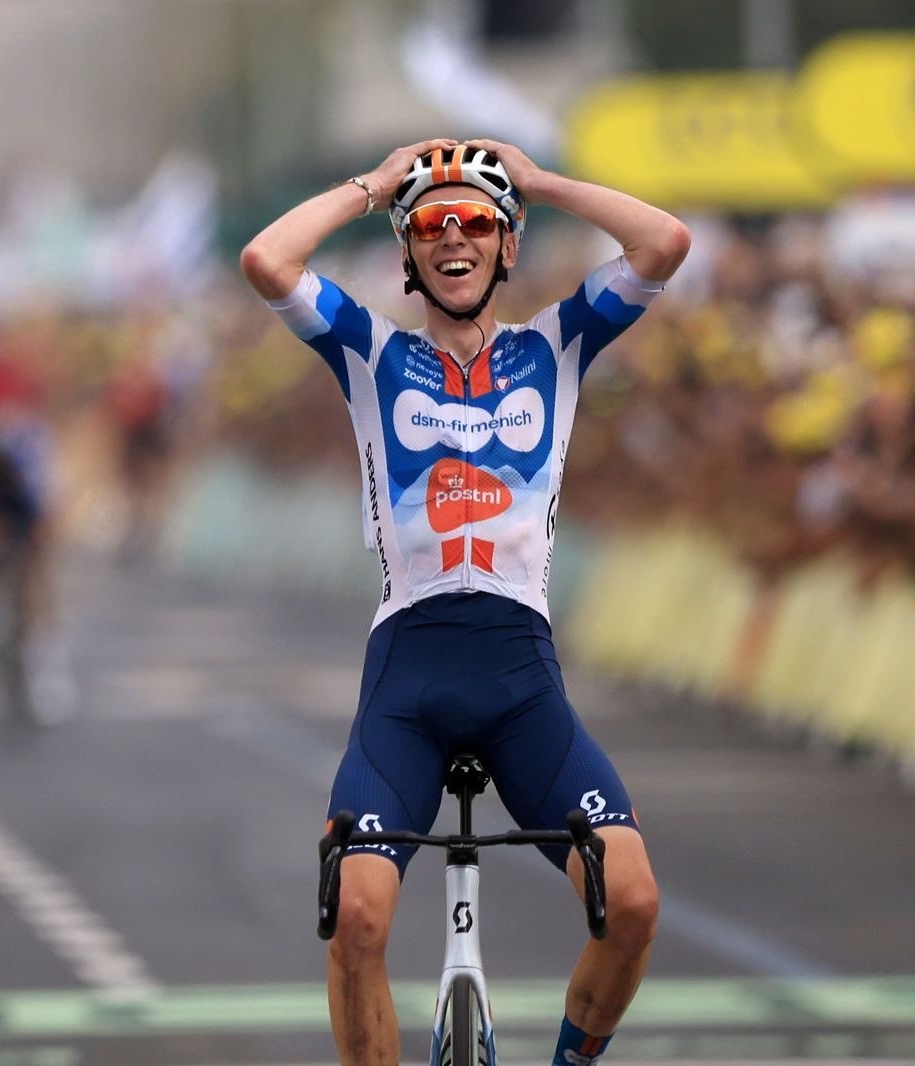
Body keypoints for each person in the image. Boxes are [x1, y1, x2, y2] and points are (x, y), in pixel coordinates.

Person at [240, 140, 690, 1066]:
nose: (455, 237)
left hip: (522, 681)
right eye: (432, 225)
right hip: (408, 680)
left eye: (477, 222)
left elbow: (665, 242)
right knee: (357, 920)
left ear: (507, 245)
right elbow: (268, 262)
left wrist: (540, 184)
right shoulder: (371, 351)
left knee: (634, 904)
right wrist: (373, 187)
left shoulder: (555, 346)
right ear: (409, 255)